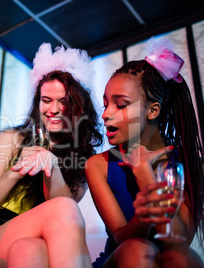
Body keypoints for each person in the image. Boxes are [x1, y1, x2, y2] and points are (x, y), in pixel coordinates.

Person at [0, 43, 103, 268]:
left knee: (31, 250)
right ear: (38, 102)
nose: (53, 109)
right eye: (46, 100)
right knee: (61, 212)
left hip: (42, 243)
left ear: (76, 106)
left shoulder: (83, 158)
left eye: (63, 102)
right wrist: (15, 172)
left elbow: (63, 209)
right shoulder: (13, 138)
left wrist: (52, 168)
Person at [85, 38, 204, 267]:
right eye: (106, 104)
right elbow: (122, 238)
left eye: (120, 105)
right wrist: (145, 213)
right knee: (138, 249)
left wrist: (144, 174)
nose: (106, 114)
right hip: (122, 257)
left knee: (184, 257)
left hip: (166, 259)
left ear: (153, 110)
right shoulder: (97, 165)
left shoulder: (189, 163)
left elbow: (179, 239)